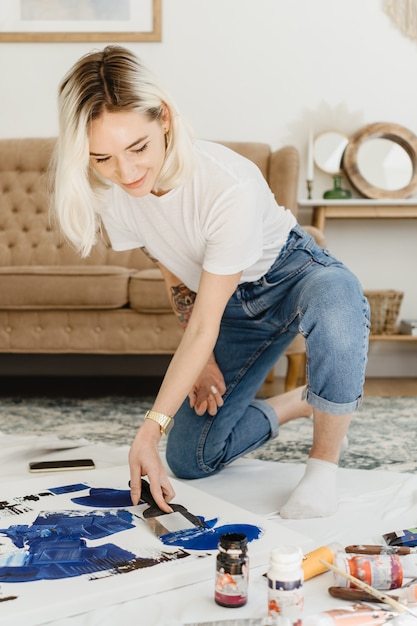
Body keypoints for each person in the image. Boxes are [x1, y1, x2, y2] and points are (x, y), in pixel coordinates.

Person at [51, 45, 370, 519]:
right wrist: (198, 363)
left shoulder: (227, 184)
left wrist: (147, 431)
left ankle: (323, 467)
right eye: (103, 158)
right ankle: (304, 401)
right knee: (190, 459)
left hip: (290, 276)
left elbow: (206, 327)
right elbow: (170, 262)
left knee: (340, 302)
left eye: (138, 148)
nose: (128, 172)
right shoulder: (111, 193)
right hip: (224, 306)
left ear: (164, 119)